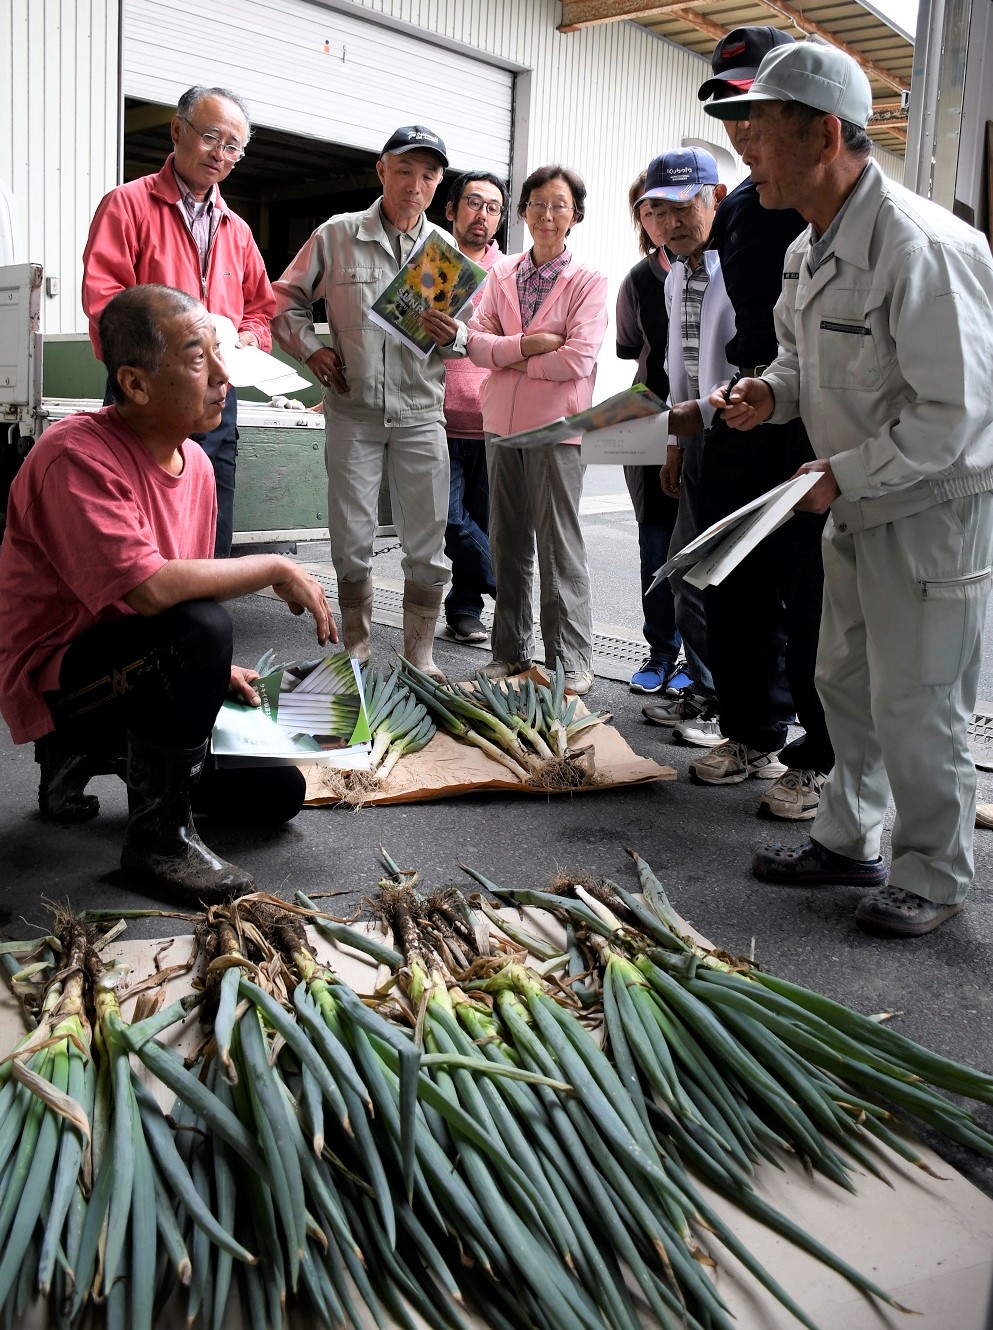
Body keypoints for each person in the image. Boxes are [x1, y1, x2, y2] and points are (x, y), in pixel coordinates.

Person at [708, 37, 993, 936]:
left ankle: (934, 875)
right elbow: (803, 360)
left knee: (921, 703)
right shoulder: (807, 245)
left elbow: (959, 416)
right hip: (851, 500)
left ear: (825, 133)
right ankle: (847, 839)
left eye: (759, 125)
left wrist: (845, 473)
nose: (746, 144)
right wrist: (770, 390)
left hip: (928, 510)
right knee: (845, 683)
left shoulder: (924, 248)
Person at [0, 285, 336, 905]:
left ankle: (99, 761)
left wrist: (215, 673)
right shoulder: (72, 458)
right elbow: (154, 591)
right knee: (200, 630)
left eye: (220, 352)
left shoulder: (198, 466)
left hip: (133, 659)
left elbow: (176, 589)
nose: (223, 377)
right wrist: (273, 568)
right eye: (197, 357)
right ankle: (156, 838)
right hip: (62, 676)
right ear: (135, 384)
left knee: (276, 794)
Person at [685, 26, 834, 818]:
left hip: (817, 426)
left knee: (810, 594)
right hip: (750, 407)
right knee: (732, 578)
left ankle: (817, 753)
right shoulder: (740, 205)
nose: (742, 127)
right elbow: (738, 325)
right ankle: (750, 729)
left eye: (755, 107)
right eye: (730, 112)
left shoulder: (833, 202)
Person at [272, 125, 464, 680]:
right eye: (405, 170)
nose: (415, 185)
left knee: (428, 540)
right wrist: (311, 351)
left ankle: (419, 655)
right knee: (352, 538)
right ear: (382, 170)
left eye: (428, 175)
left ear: (437, 185)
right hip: (353, 413)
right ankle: (356, 648)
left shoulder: (444, 252)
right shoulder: (338, 236)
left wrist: (452, 334)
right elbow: (283, 300)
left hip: (422, 414)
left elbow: (463, 338)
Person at [82, 85, 274, 559]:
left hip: (215, 400)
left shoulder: (238, 230)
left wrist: (248, 336)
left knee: (211, 515)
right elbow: (106, 306)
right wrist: (152, 371)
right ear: (176, 131)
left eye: (233, 147)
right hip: (148, 397)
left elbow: (261, 309)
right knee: (136, 520)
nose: (220, 154)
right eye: (211, 137)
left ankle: (203, 620)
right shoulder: (127, 206)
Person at [467, 165, 608, 696]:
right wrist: (526, 346)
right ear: (523, 211)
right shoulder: (501, 275)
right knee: (507, 543)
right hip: (501, 424)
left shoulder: (589, 281)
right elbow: (474, 343)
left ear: (575, 216)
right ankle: (509, 652)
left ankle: (570, 661)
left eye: (560, 206)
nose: (547, 215)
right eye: (537, 204)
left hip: (557, 428)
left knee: (558, 546)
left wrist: (506, 353)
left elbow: (579, 358)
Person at [640, 149, 734, 748]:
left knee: (728, 578)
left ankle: (734, 707)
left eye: (685, 206)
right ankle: (707, 690)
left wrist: (693, 419)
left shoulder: (739, 265)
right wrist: (674, 444)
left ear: (716, 199)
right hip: (696, 436)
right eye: (658, 211)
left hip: (743, 433)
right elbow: (678, 366)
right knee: (686, 572)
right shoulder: (677, 274)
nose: (673, 222)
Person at [615, 171, 681, 696]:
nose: (662, 221)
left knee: (705, 547)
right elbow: (630, 346)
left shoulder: (720, 266)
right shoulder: (638, 280)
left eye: (671, 208)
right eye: (650, 210)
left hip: (705, 418)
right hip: (646, 416)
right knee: (654, 545)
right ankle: (661, 652)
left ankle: (701, 668)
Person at [441, 171, 508, 643]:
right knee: (445, 516)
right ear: (451, 210)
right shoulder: (428, 261)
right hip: (435, 414)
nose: (481, 214)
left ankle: (465, 609)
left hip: (490, 417)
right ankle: (505, 582)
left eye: (492, 207)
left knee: (480, 517)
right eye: (473, 203)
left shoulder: (511, 273)